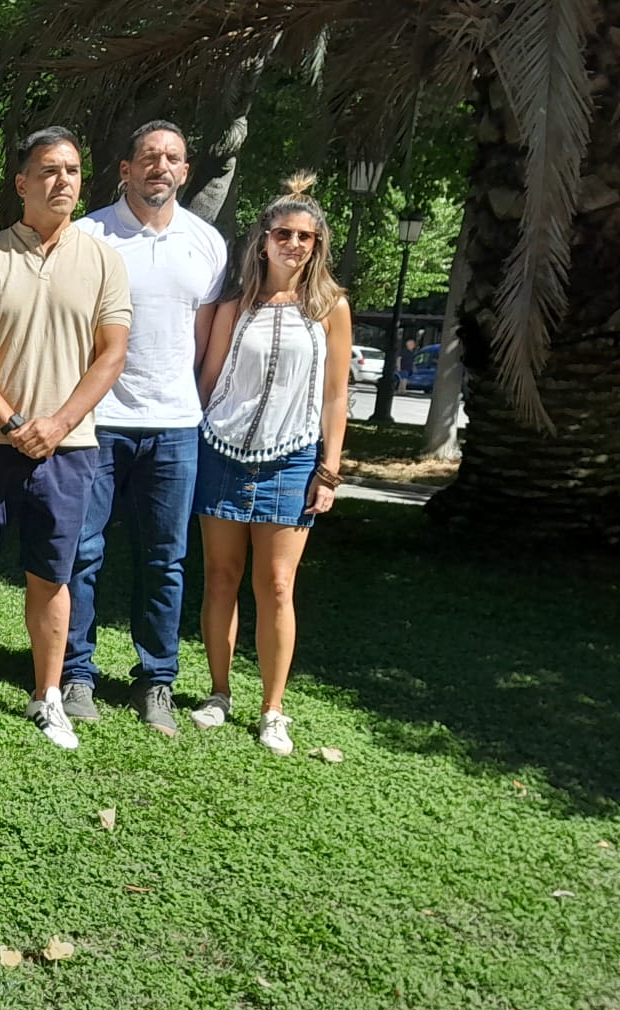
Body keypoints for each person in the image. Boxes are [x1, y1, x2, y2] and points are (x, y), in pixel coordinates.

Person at [0, 126, 131, 750]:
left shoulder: (103, 261)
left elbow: (111, 354)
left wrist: (58, 424)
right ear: (22, 183)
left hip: (69, 450)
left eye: (71, 170)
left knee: (53, 575)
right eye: (48, 170)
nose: (62, 181)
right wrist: (15, 422)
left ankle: (48, 698)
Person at [60, 120, 228, 735]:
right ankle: (77, 673)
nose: (161, 166)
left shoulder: (208, 245)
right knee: (83, 552)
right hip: (98, 424)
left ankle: (156, 679)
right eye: (149, 157)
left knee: (165, 559)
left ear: (185, 173)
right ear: (125, 169)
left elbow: (205, 342)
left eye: (173, 159)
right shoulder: (88, 236)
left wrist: (192, 405)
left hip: (175, 429)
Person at [188, 174, 353, 755]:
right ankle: (218, 692)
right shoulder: (235, 308)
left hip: (292, 458)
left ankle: (273, 709)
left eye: (306, 237)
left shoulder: (330, 309)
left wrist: (329, 471)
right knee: (221, 578)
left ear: (318, 245)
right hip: (223, 453)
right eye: (283, 233)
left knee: (278, 586)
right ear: (263, 241)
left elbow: (336, 396)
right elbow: (207, 382)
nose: (294, 244)